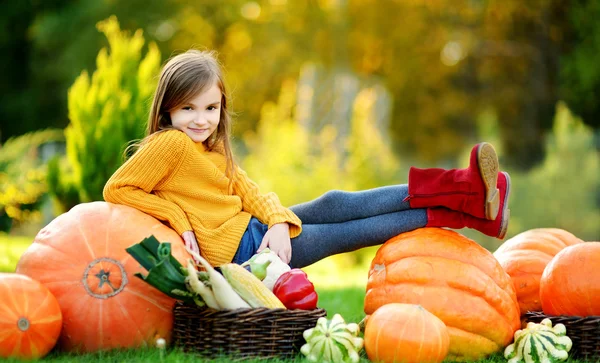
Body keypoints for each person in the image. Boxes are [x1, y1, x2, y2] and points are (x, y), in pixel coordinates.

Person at [103, 49, 511, 269]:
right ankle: (472, 213)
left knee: (336, 201)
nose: (200, 119)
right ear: (168, 110)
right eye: (188, 109)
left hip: (255, 228)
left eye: (210, 108)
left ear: (221, 106)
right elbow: (117, 189)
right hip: (244, 254)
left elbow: (248, 190)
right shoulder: (169, 144)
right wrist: (179, 218)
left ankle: (467, 188)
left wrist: (278, 220)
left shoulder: (210, 148)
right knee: (356, 231)